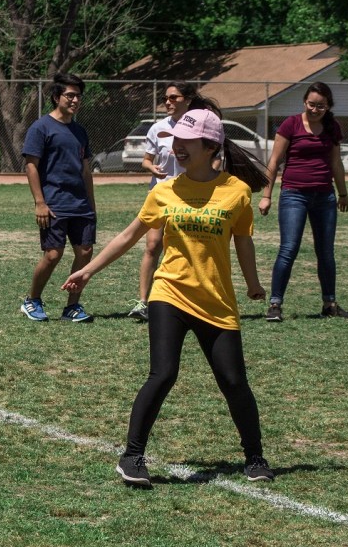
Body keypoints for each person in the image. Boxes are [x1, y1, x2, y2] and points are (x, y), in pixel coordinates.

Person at [62, 109, 275, 486]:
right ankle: (132, 457)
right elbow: (129, 236)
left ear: (211, 146)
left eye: (185, 142)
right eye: (174, 140)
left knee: (234, 382)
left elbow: (243, 241)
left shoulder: (236, 192)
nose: (176, 147)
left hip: (217, 300)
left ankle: (255, 457)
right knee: (163, 374)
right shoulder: (164, 191)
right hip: (169, 293)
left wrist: (253, 284)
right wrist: (88, 270)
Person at [258, 81, 348, 322]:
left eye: (321, 105)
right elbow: (274, 161)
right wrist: (266, 195)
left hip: (325, 196)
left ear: (328, 106)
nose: (315, 109)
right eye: (311, 104)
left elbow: (336, 163)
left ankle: (329, 303)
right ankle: (275, 304)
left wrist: (342, 193)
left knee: (326, 252)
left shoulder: (332, 127)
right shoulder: (291, 124)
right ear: (304, 103)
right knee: (289, 249)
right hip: (294, 194)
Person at [128, 82, 221, 321]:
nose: (168, 102)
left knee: (189, 247)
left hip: (192, 197)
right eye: (165, 98)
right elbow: (146, 161)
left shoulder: (202, 124)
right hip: (161, 193)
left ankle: (192, 300)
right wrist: (154, 168)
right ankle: (143, 302)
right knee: (152, 246)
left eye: (173, 97)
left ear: (188, 99)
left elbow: (215, 160)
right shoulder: (158, 128)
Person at [20, 72, 96, 323]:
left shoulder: (80, 130)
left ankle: (72, 307)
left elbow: (85, 169)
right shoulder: (40, 127)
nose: (75, 100)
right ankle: (32, 300)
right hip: (54, 203)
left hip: (80, 204)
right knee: (53, 255)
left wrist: (91, 204)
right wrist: (40, 202)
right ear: (56, 97)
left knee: (85, 253)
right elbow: (31, 166)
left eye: (78, 96)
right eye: (70, 95)